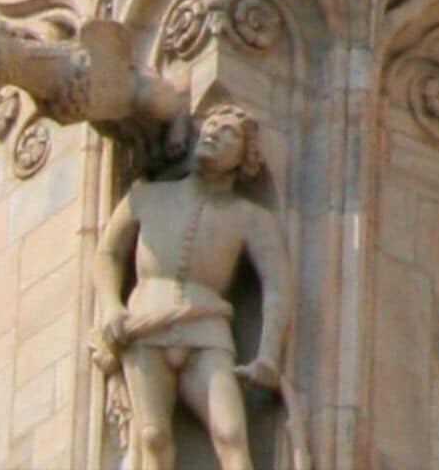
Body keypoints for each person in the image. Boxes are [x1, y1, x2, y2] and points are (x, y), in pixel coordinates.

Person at [94, 101, 295, 470]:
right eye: (211, 126)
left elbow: (277, 286)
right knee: (152, 436)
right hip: (145, 323)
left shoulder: (251, 218)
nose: (214, 133)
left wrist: (268, 355)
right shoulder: (145, 197)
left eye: (228, 133)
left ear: (245, 157)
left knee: (230, 434)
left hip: (207, 328)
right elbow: (108, 252)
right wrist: (110, 305)